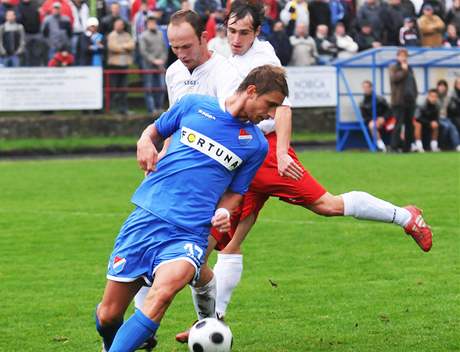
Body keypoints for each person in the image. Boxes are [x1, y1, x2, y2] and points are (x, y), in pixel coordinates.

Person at [150, 2, 432, 342]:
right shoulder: (221, 58)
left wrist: (282, 152)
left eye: (244, 33)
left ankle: (406, 217)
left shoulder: (264, 58)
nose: (236, 38)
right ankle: (213, 323)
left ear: (257, 33)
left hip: (265, 151)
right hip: (239, 155)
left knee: (325, 205)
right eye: (231, 30)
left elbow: (282, 108)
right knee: (221, 243)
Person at [95, 64, 288, 352]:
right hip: (147, 218)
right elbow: (154, 131)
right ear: (251, 91)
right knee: (108, 315)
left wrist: (224, 212)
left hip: (190, 234)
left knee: (163, 294)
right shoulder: (194, 105)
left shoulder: (256, 145)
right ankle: (124, 339)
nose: (272, 114)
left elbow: (236, 193)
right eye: (270, 104)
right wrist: (145, 142)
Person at [389, 47, 418, 152]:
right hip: (399, 101)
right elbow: (395, 78)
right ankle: (394, 147)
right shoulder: (394, 67)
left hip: (410, 101)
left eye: (405, 56)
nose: (403, 58)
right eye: (401, 55)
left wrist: (415, 95)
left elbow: (413, 84)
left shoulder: (410, 69)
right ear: (397, 57)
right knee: (398, 124)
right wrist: (404, 70)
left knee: (410, 125)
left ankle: (408, 147)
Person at [139, 14, 167, 113]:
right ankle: (151, 109)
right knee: (149, 87)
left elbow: (164, 48)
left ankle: (159, 107)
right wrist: (153, 60)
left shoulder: (160, 34)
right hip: (148, 66)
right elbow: (143, 51)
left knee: (161, 87)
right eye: (150, 22)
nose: (152, 24)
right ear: (147, 24)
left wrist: (162, 60)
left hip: (160, 65)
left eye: (154, 22)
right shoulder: (143, 36)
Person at [106, 18, 135, 115]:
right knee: (113, 88)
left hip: (125, 65)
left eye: (120, 24)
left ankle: (123, 109)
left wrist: (121, 47)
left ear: (123, 26)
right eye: (116, 24)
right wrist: (125, 48)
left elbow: (132, 45)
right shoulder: (111, 35)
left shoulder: (127, 35)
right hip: (114, 65)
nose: (118, 26)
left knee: (124, 89)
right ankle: (110, 109)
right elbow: (112, 47)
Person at [359, 80, 391, 151]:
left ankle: (404, 145)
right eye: (364, 87)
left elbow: (389, 110)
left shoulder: (380, 99)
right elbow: (365, 117)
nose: (365, 89)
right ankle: (381, 146)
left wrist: (383, 118)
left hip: (386, 120)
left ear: (371, 88)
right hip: (373, 122)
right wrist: (374, 119)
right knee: (372, 125)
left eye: (367, 87)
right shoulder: (362, 103)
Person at [436, 79, 460, 151]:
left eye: (444, 86)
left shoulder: (448, 97)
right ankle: (440, 146)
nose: (442, 87)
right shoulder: (434, 95)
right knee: (446, 127)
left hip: (446, 118)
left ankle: (457, 145)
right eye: (440, 85)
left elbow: (451, 108)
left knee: (452, 128)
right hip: (436, 118)